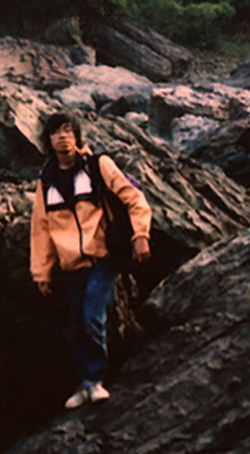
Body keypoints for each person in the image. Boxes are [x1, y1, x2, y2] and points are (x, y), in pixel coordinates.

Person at [30, 112, 152, 409]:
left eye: (68, 131)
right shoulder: (46, 183)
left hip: (103, 258)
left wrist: (140, 235)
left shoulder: (99, 165)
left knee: (91, 317)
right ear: (48, 140)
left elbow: (133, 198)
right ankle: (85, 383)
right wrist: (41, 272)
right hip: (71, 266)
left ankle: (94, 381)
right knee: (76, 324)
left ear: (77, 136)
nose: (63, 137)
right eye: (56, 133)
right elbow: (40, 230)